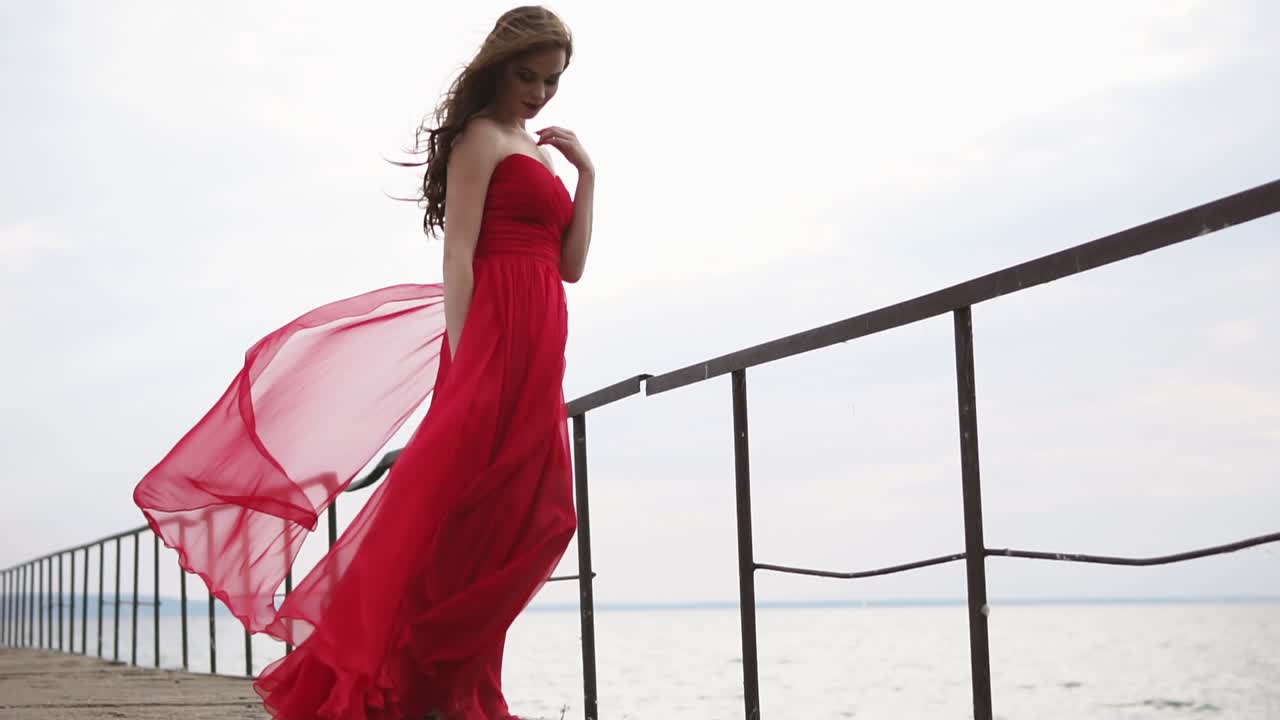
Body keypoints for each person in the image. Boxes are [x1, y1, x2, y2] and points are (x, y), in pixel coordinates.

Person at [132, 6, 594, 719]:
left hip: (542, 343)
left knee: (539, 516)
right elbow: (458, 255)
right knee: (467, 512)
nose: (537, 92)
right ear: (499, 67)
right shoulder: (480, 137)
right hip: (494, 339)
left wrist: (587, 174)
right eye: (526, 76)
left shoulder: (534, 147)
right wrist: (467, 358)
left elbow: (570, 267)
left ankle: (445, 675)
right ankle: (433, 679)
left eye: (551, 81)